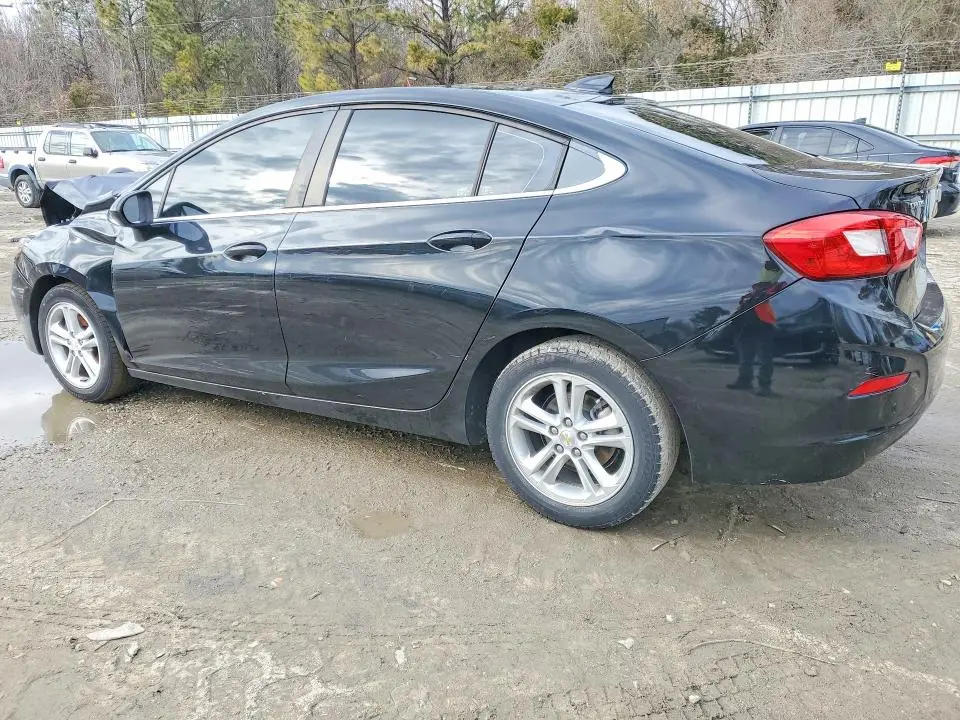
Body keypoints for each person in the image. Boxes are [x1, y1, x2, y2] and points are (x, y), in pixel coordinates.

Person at [727, 261, 786, 396]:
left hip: (763, 328)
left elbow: (775, 302)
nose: (767, 273)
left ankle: (764, 387)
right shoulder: (751, 290)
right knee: (746, 358)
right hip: (746, 328)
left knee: (764, 359)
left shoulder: (777, 288)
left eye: (771, 271)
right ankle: (744, 381)